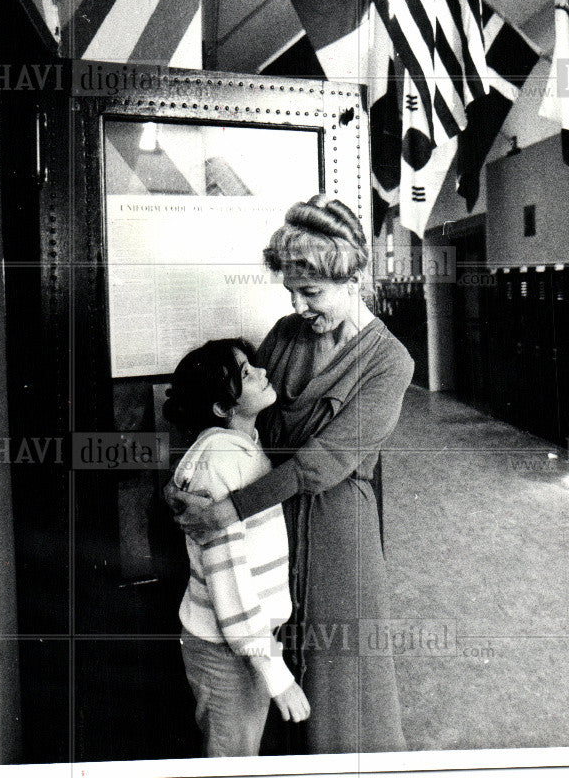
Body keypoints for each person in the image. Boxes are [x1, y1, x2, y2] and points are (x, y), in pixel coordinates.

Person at [165, 195, 414, 754]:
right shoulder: (284, 333)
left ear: (351, 277)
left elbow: (324, 462)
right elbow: (239, 416)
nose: (299, 306)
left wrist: (224, 509)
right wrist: (190, 482)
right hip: (265, 518)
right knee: (263, 664)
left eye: (312, 292)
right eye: (291, 292)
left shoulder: (390, 362)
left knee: (340, 675)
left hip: (335, 529)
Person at [163, 338, 310, 758]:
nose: (263, 373)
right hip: (227, 648)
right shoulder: (221, 461)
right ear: (222, 409)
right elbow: (229, 587)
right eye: (247, 374)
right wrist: (275, 674)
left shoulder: (241, 446)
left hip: (241, 643)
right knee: (232, 760)